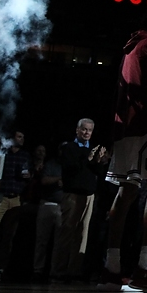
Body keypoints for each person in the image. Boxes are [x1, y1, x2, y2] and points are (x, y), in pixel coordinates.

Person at [101, 11, 147, 290]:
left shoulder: (131, 48)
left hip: (124, 127)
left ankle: (112, 266)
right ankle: (144, 266)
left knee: (128, 190)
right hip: (145, 126)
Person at [52, 118, 107, 281]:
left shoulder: (93, 149)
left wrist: (98, 162)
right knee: (67, 232)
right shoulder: (69, 148)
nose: (87, 133)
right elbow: (70, 169)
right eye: (84, 129)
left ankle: (74, 271)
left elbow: (96, 172)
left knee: (82, 235)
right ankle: (58, 271)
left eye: (89, 130)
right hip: (72, 195)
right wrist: (88, 159)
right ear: (77, 130)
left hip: (89, 196)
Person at [29, 144, 63, 279]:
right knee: (41, 240)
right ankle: (38, 270)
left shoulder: (68, 166)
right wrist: (58, 180)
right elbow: (44, 180)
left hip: (62, 206)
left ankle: (55, 271)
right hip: (47, 204)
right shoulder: (51, 164)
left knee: (59, 242)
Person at [0, 130, 31, 227]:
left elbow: (30, 174)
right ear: (13, 139)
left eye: (23, 137)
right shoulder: (3, 153)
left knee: (12, 226)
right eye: (19, 137)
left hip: (16, 198)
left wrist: (28, 175)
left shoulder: (25, 156)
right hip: (2, 196)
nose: (22, 139)